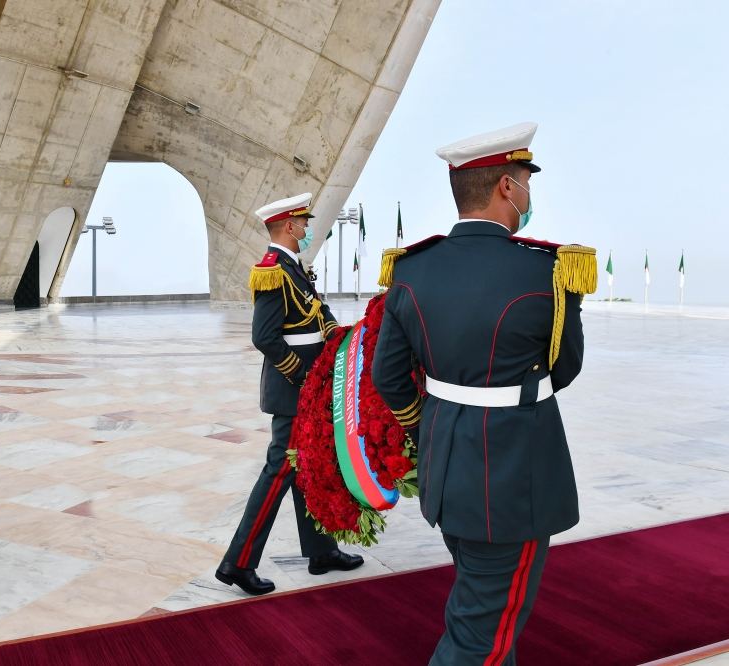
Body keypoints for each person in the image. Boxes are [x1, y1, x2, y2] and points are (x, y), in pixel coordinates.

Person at [371, 123, 596, 665]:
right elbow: (564, 370)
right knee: (480, 642)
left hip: (446, 468)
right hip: (511, 481)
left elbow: (388, 376)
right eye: (524, 182)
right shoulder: (547, 270)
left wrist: (427, 426)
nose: (528, 195)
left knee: (486, 612)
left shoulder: (410, 270)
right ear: (506, 189)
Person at [216, 192, 364, 596]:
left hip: (307, 388)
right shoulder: (271, 271)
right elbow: (264, 337)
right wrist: (304, 374)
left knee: (305, 466)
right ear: (288, 226)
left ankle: (320, 551)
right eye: (304, 222)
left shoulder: (294, 267)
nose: (308, 228)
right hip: (293, 389)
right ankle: (238, 562)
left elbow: (316, 311)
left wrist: (337, 335)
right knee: (280, 469)